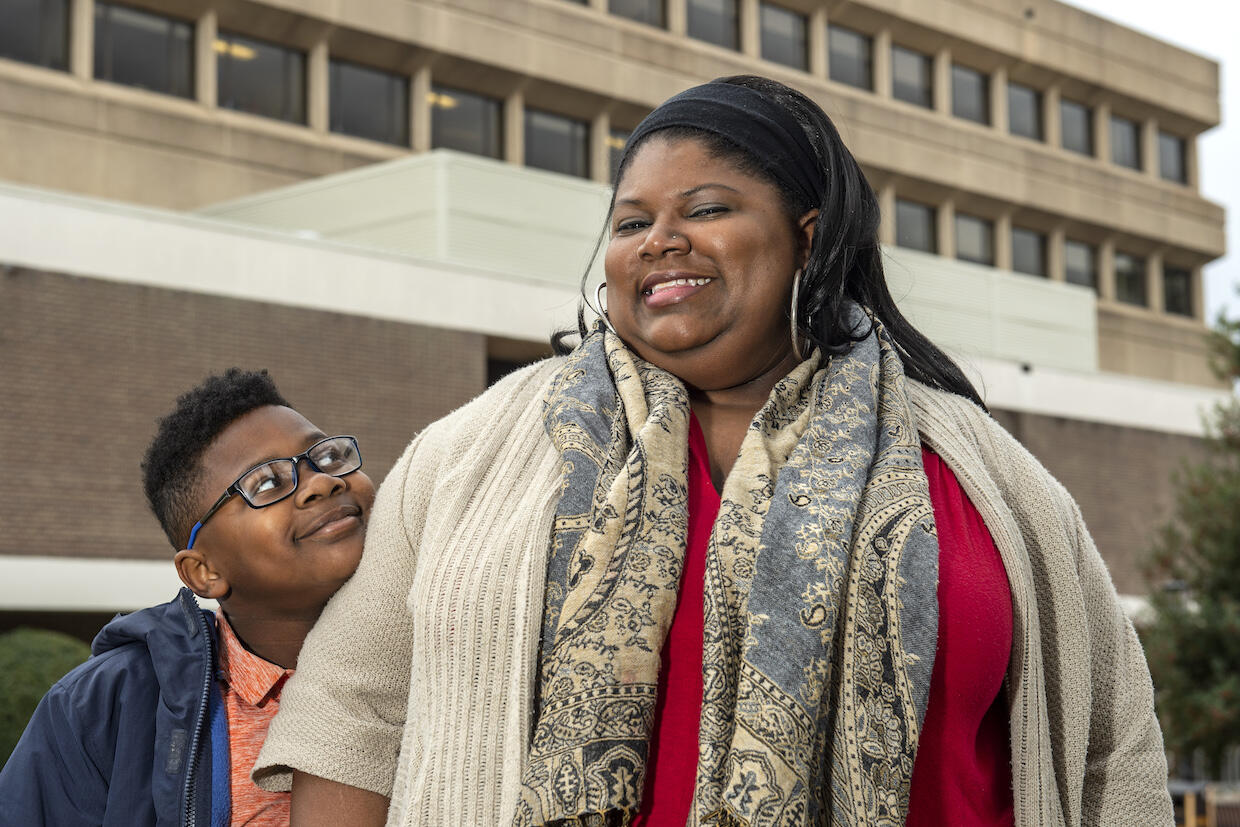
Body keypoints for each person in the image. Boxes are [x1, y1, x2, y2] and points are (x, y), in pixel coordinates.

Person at [254, 76, 1173, 827]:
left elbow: (1112, 748)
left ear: (807, 237)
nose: (659, 241)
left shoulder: (987, 475)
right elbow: (355, 711)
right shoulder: (470, 453)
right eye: (630, 222)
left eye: (706, 208)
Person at [0, 368, 376, 826]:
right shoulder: (101, 707)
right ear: (204, 571)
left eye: (328, 456)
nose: (323, 482)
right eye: (268, 483)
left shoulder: (450, 652)